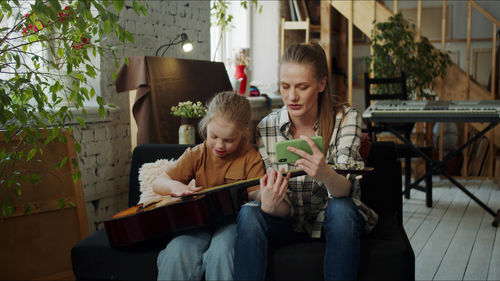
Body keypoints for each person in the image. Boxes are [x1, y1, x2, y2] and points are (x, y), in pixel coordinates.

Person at [233, 43, 378, 281]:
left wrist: (325, 174)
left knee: (342, 208)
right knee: (250, 214)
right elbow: (279, 205)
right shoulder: (266, 127)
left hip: (332, 214)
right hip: (286, 218)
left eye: (302, 87)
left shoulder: (346, 118)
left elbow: (348, 189)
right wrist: (269, 203)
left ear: (321, 84)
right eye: (285, 86)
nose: (292, 97)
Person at [152, 91, 266, 281]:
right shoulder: (197, 153)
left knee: (223, 250)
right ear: (206, 126)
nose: (219, 145)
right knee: (176, 251)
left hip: (232, 224)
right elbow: (158, 182)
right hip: (199, 223)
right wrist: (174, 186)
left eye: (229, 140)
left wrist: (267, 194)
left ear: (244, 134)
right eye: (213, 136)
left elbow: (256, 195)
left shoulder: (250, 157)